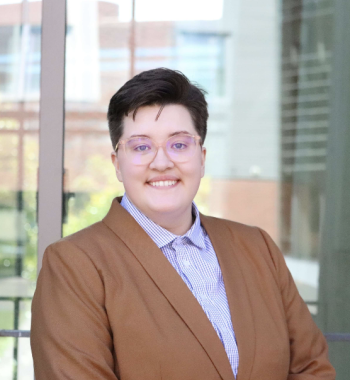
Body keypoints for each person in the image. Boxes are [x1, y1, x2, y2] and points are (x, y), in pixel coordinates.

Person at [31, 68, 335, 380]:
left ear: (201, 156)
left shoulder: (257, 247)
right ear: (117, 164)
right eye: (140, 147)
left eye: (179, 144)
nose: (161, 162)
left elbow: (312, 368)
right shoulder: (74, 265)